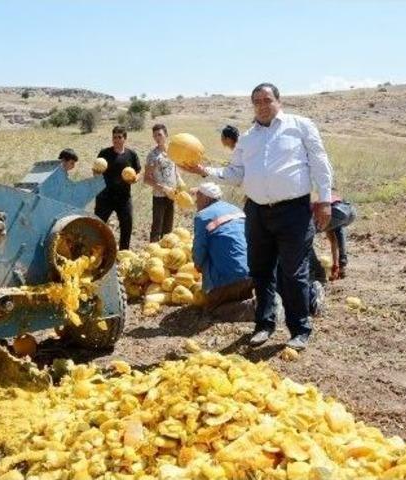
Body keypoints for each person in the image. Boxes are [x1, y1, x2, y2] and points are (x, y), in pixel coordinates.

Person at [184, 82, 333, 351]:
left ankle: (299, 328)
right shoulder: (248, 138)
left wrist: (324, 200)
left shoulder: (300, 126)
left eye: (267, 100)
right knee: (261, 271)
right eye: (257, 102)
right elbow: (235, 174)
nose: (262, 106)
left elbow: (320, 163)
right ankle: (264, 325)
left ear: (279, 100)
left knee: (293, 271)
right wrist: (204, 170)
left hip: (293, 211)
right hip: (256, 211)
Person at [191, 182, 252, 311]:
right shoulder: (235, 209)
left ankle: (248, 310)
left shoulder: (203, 216)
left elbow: (199, 250)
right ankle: (248, 301)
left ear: (206, 198)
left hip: (229, 276)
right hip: (252, 273)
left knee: (211, 309)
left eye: (198, 196)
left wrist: (197, 265)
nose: (196, 201)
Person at [96, 126, 141, 250]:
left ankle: (123, 253)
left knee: (127, 225)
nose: (116, 140)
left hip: (123, 197)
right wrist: (96, 172)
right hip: (105, 197)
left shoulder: (131, 155)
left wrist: (135, 178)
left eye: (119, 137)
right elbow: (96, 172)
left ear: (125, 139)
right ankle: (95, 250)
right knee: (98, 225)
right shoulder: (104, 153)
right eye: (114, 137)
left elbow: (138, 171)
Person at [143, 124, 181, 242]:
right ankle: (152, 253)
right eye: (155, 135)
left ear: (166, 135)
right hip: (159, 196)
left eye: (159, 135)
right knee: (157, 228)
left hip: (172, 195)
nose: (157, 137)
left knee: (168, 228)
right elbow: (146, 178)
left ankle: (165, 254)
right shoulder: (152, 155)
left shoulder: (173, 153)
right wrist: (162, 188)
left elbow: (175, 171)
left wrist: (179, 184)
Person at [309, 195, 356, 282]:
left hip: (336, 210)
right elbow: (333, 240)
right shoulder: (320, 200)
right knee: (338, 228)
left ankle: (318, 273)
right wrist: (335, 264)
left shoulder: (305, 209)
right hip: (350, 210)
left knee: (304, 238)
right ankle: (341, 265)